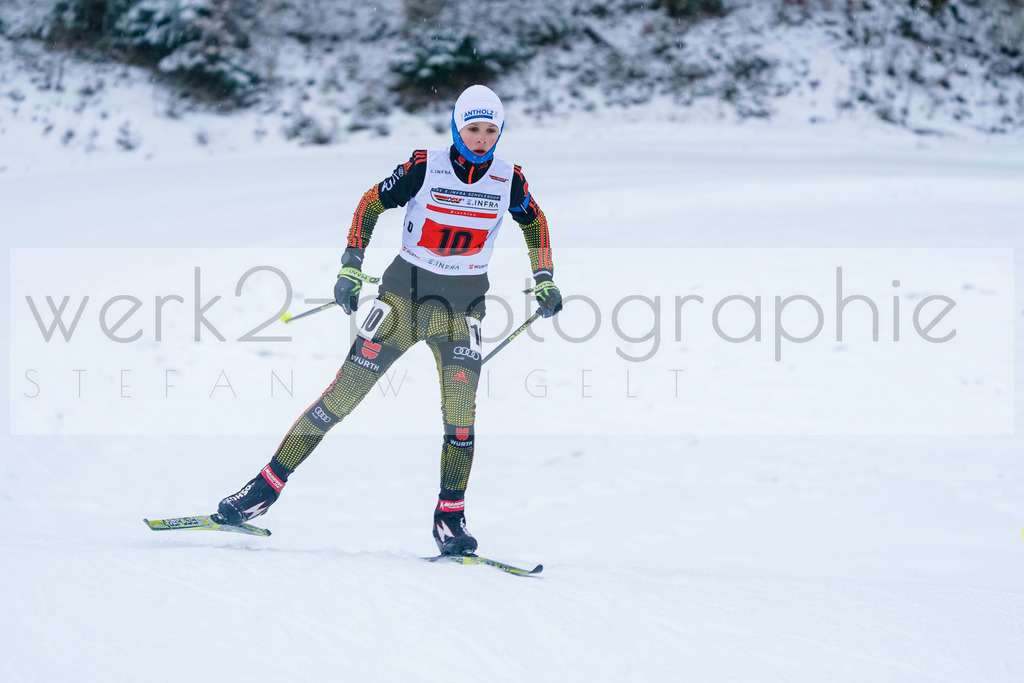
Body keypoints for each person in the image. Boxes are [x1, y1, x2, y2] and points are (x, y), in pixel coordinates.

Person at [214, 85, 562, 555]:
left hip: (462, 311)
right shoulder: (425, 167)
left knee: (461, 419)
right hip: (403, 302)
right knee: (342, 397)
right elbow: (370, 203)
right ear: (457, 127)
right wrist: (350, 265)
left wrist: (544, 278)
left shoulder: (509, 179)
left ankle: (450, 520)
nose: (481, 138)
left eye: (490, 130)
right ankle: (261, 492)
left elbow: (535, 223)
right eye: (472, 128)